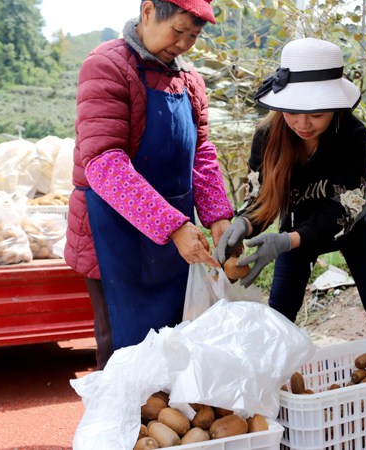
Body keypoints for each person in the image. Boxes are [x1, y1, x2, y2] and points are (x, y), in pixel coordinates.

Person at [64, 0, 234, 368]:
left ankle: (164, 422)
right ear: (147, 12)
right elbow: (103, 162)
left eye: (193, 35)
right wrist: (172, 225)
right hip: (112, 230)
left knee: (172, 334)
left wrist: (218, 215)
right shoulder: (106, 66)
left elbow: (201, 152)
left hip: (175, 234)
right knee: (121, 344)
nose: (185, 44)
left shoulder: (190, 81)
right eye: (178, 31)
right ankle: (120, 423)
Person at [216, 38, 366, 344]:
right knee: (279, 315)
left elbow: (343, 210)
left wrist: (284, 241)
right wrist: (244, 223)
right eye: (292, 112)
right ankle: (273, 381)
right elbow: (259, 197)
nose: (302, 124)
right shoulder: (267, 136)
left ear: (334, 107)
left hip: (353, 225)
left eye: (316, 114)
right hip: (294, 230)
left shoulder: (353, 136)